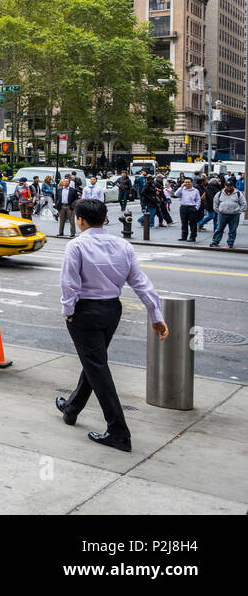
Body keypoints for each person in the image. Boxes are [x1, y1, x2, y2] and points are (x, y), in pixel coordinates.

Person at [57, 198, 168, 452]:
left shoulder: (76, 246)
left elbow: (69, 284)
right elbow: (140, 282)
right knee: (94, 362)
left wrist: (68, 312)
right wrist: (156, 314)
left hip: (85, 312)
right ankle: (72, 407)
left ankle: (118, 431)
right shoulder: (123, 245)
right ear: (105, 218)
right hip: (111, 310)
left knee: (97, 367)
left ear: (80, 220)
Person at [210, 180, 245, 248]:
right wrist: (218, 211)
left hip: (234, 215)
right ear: (224, 186)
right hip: (222, 214)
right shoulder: (219, 193)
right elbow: (215, 203)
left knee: (233, 230)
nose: (229, 187)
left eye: (230, 186)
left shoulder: (238, 193)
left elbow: (243, 203)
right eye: (227, 186)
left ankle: (230, 243)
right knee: (219, 229)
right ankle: (215, 241)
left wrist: (239, 212)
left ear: (233, 186)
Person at [175, 177, 202, 242]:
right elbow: (176, 194)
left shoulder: (195, 190)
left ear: (191, 183)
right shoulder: (182, 189)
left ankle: (192, 237)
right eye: (186, 182)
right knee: (184, 223)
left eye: (188, 182)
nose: (187, 183)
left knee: (193, 223)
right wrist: (181, 187)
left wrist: (196, 208)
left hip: (192, 208)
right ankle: (184, 236)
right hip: (183, 207)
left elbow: (198, 200)